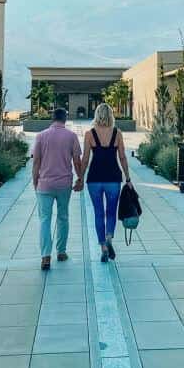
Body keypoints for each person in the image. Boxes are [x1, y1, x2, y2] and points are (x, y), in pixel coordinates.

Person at [32, 107, 83, 270]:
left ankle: (45, 256)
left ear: (52, 119)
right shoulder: (72, 136)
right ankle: (61, 252)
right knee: (63, 216)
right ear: (65, 119)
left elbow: (36, 162)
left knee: (44, 219)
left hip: (44, 184)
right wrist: (80, 178)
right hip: (64, 184)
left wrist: (35, 182)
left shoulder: (41, 136)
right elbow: (76, 161)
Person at [81, 103, 131, 263]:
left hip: (94, 178)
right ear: (111, 115)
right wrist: (128, 177)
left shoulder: (89, 134)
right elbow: (122, 157)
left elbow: (86, 159)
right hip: (113, 178)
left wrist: (80, 177)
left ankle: (103, 247)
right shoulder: (117, 133)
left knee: (98, 213)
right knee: (111, 212)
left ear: (96, 115)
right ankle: (109, 237)